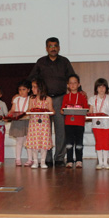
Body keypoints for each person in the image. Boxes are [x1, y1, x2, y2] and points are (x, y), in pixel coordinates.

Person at [28, 37, 76, 167]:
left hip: (60, 99)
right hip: (44, 100)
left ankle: (59, 158)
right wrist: (24, 91)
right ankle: (47, 159)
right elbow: (31, 78)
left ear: (59, 47)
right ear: (46, 48)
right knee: (45, 130)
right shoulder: (41, 62)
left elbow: (72, 77)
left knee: (61, 130)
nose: (53, 48)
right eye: (50, 46)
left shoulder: (64, 61)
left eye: (55, 46)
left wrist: (80, 90)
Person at [25, 78, 54, 169]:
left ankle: (42, 162)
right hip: (34, 124)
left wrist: (50, 111)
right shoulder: (31, 99)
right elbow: (28, 109)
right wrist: (28, 112)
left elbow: (52, 110)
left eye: (34, 87)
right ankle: (35, 161)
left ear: (40, 87)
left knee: (44, 144)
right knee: (34, 143)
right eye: (32, 87)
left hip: (44, 124)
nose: (32, 89)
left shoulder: (48, 99)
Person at [61, 74, 88, 168]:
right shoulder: (66, 97)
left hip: (80, 123)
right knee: (69, 143)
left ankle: (79, 160)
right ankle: (69, 160)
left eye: (75, 83)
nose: (72, 85)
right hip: (68, 123)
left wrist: (80, 110)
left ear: (79, 84)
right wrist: (66, 110)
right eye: (70, 83)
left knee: (79, 143)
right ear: (68, 85)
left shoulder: (82, 96)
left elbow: (86, 109)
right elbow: (62, 110)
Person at [88, 78, 109, 170]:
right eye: (99, 87)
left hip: (107, 124)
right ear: (96, 88)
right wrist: (87, 115)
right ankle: (100, 162)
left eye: (103, 87)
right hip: (96, 124)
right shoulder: (92, 99)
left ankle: (106, 162)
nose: (101, 89)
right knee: (99, 142)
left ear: (106, 88)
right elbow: (90, 111)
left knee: (105, 142)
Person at [8, 80, 30, 166]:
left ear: (28, 90)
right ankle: (17, 159)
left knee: (28, 141)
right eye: (20, 90)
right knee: (19, 140)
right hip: (18, 121)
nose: (21, 91)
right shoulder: (16, 99)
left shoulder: (30, 99)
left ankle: (30, 159)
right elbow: (13, 109)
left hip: (27, 121)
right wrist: (9, 114)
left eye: (24, 89)